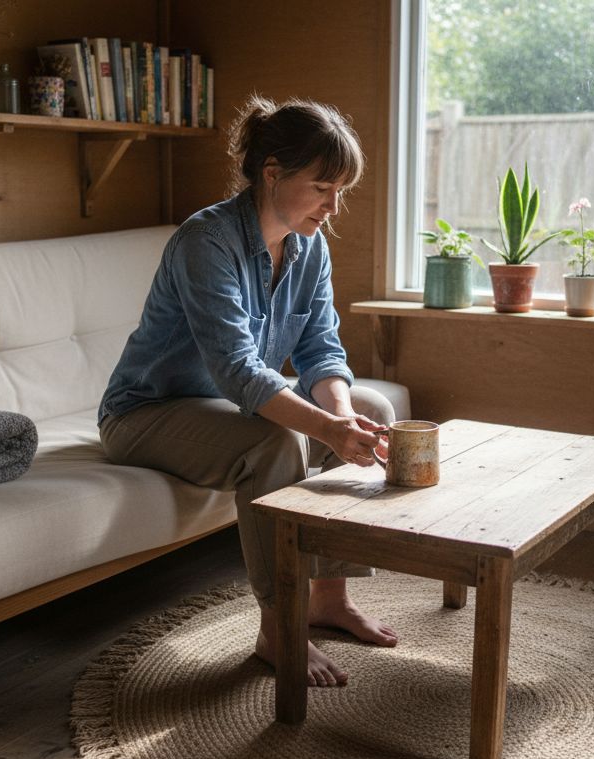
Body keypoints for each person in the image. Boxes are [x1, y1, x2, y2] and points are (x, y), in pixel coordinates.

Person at [98, 95, 398, 687]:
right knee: (274, 443)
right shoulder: (205, 241)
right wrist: (324, 427)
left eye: (341, 191)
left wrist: (341, 416)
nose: (333, 207)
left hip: (221, 400)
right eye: (322, 188)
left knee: (370, 407)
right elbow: (237, 368)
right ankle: (278, 625)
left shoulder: (311, 245)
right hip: (148, 410)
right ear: (272, 174)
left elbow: (320, 350)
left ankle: (327, 601)